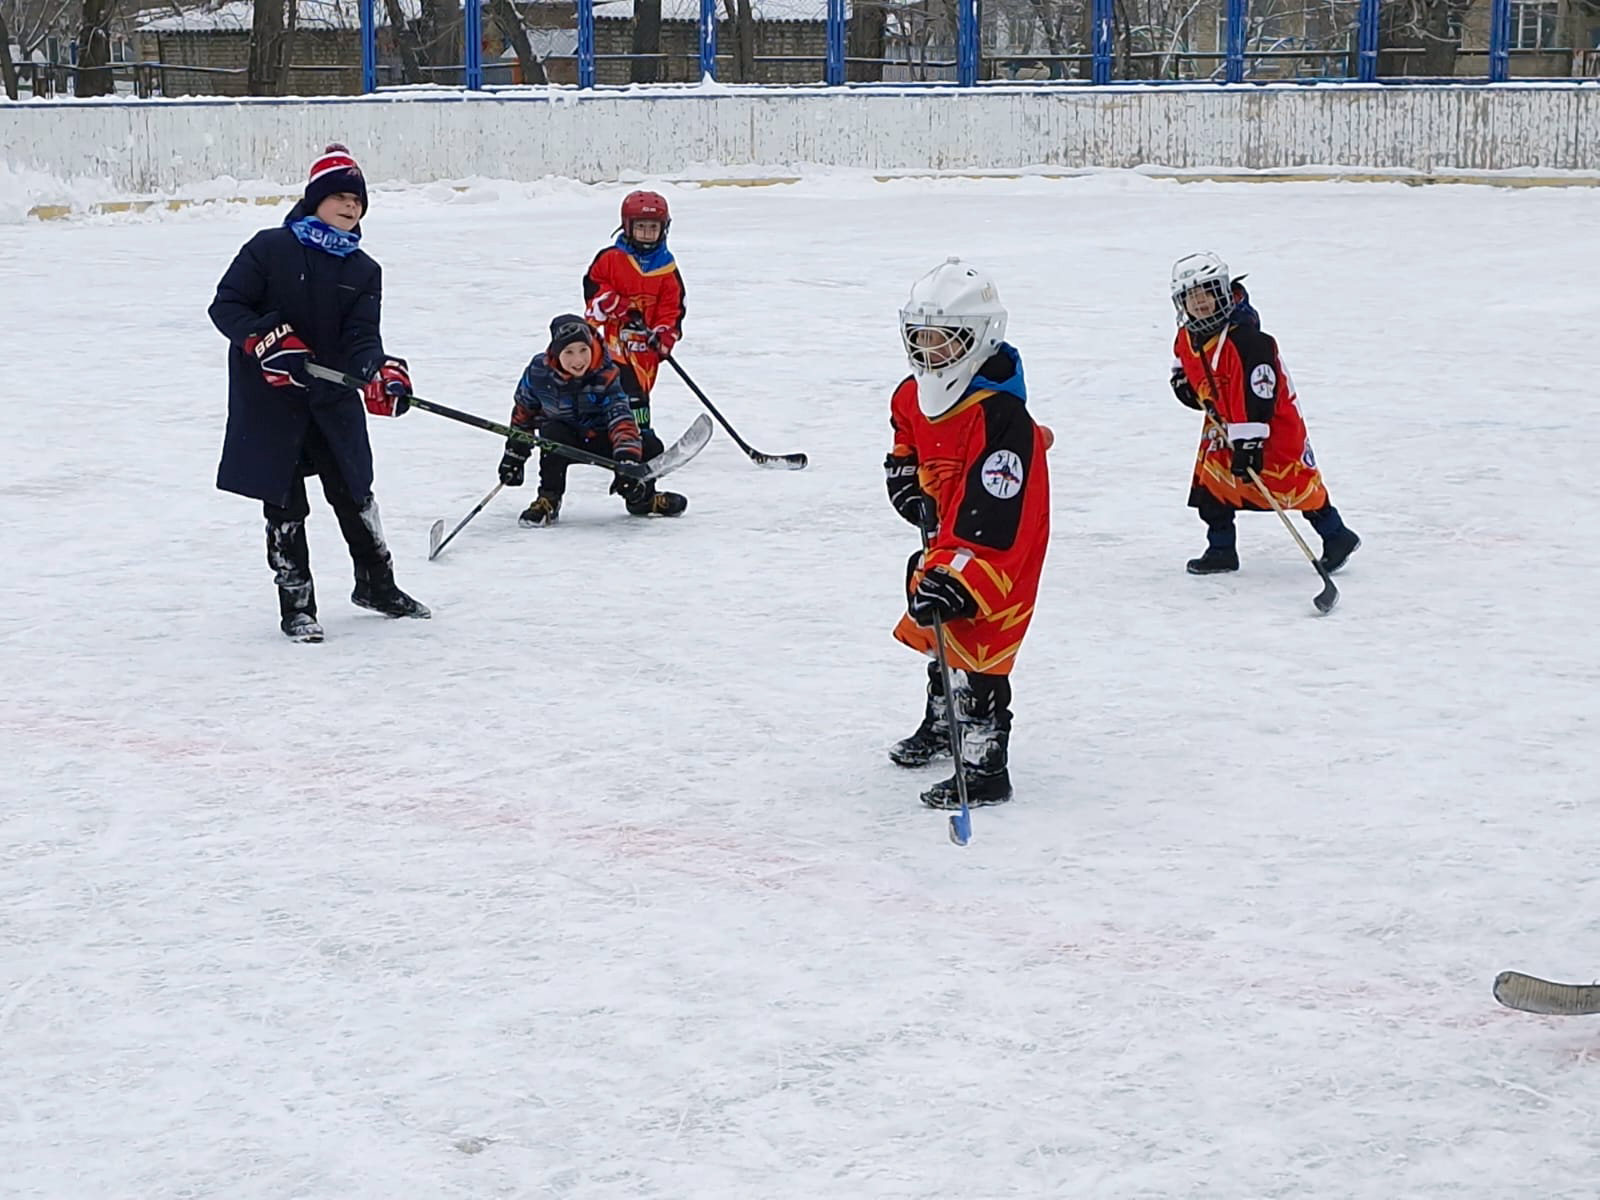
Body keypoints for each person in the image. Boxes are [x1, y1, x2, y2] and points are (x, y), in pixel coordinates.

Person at [209, 143, 428, 643]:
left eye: (358, 201)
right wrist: (266, 338)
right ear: (315, 201)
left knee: (354, 492)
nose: (350, 207)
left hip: (331, 401)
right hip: (270, 403)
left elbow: (361, 339)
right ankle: (297, 603)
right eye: (340, 198)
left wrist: (379, 370)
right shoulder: (269, 248)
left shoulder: (362, 269)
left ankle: (377, 584)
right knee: (284, 504)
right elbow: (226, 306)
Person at [883, 258, 1052, 810]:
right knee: (941, 633)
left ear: (978, 339)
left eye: (944, 341)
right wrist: (905, 479)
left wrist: (963, 572)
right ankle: (942, 724)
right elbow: (905, 436)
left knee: (979, 646)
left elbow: (997, 508)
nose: (929, 353)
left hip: (997, 550)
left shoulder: (1003, 416)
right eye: (920, 339)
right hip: (948, 536)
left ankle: (984, 766)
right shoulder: (912, 394)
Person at [1169, 252, 1361, 576]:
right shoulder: (1189, 336)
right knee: (1212, 488)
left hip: (1270, 428)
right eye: (1191, 295)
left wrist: (1250, 442)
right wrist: (1183, 384)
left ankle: (1337, 536)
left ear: (1224, 292)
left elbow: (1260, 396)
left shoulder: (1250, 341)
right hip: (1223, 426)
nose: (1200, 301)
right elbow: (1183, 362)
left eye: (1207, 292)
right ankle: (1220, 549)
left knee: (1295, 485)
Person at [497, 314, 686, 525]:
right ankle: (548, 499)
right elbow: (524, 414)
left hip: (604, 438)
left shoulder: (607, 373)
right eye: (568, 352)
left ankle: (642, 498)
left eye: (583, 350)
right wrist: (514, 456)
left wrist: (627, 461)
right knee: (551, 432)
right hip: (566, 438)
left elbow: (621, 418)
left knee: (650, 445)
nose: (578, 360)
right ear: (555, 352)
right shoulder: (539, 372)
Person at [583, 189, 686, 437]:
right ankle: (604, 432)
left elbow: (672, 308)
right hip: (612, 340)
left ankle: (640, 434)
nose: (647, 234)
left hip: (643, 346)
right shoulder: (611, 259)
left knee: (639, 392)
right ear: (627, 227)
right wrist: (610, 301)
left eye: (653, 227)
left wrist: (663, 334)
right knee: (610, 385)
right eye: (641, 227)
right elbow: (593, 286)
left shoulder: (666, 268)